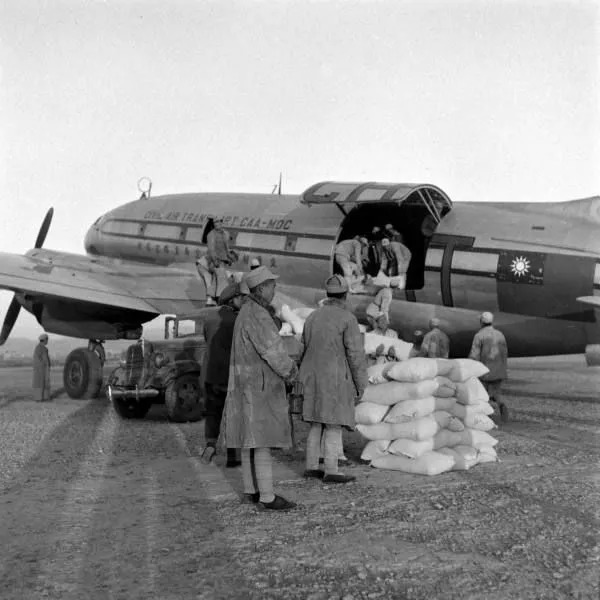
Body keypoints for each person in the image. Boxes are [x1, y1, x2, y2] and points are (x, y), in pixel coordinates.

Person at [223, 266, 299, 511]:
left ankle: (250, 491)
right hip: (259, 385)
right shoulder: (258, 314)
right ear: (262, 288)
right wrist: (291, 372)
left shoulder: (245, 311)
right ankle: (267, 496)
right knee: (262, 441)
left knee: (249, 439)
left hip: (244, 383)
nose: (275, 289)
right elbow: (273, 351)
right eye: (273, 285)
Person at [299, 275, 367, 483]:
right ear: (345, 295)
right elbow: (355, 354)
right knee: (333, 423)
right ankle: (331, 470)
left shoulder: (312, 316)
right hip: (335, 377)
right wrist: (360, 384)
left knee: (315, 422)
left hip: (310, 376)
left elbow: (302, 347)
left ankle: (311, 467)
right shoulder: (347, 319)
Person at [200, 282, 248, 467]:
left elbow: (206, 339)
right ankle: (233, 456)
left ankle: (210, 445)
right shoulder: (238, 320)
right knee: (232, 414)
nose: (243, 301)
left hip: (211, 373)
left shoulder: (210, 317)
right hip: (231, 374)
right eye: (241, 298)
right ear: (233, 299)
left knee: (213, 412)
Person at [469, 312, 509, 422]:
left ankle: (486, 416)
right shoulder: (500, 334)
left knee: (482, 395)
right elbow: (505, 353)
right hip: (499, 371)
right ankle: (502, 405)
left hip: (484, 371)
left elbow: (474, 355)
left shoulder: (479, 336)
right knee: (496, 394)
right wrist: (504, 369)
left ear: (481, 322)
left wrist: (470, 369)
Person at [206, 218, 237, 300]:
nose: (216, 224)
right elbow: (211, 249)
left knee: (216, 281)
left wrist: (230, 258)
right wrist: (215, 260)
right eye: (214, 222)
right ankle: (221, 299)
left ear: (221, 222)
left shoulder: (226, 234)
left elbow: (226, 249)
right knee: (222, 280)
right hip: (215, 262)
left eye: (218, 221)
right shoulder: (211, 235)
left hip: (223, 261)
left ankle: (210, 300)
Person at [32, 333, 51, 402]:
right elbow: (37, 359)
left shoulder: (44, 348)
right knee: (39, 383)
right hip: (40, 369)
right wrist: (43, 365)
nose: (47, 341)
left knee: (46, 382)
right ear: (44, 340)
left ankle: (45, 397)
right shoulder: (39, 348)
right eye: (47, 340)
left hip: (44, 369)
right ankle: (39, 398)